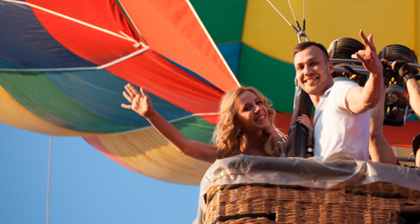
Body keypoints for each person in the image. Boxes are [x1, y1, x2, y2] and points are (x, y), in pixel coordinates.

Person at [121, 83, 312, 163]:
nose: (258, 109)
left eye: (258, 102)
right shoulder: (229, 156)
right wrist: (150, 114)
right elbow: (185, 146)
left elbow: (300, 121)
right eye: (247, 108)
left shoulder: (281, 148)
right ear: (236, 122)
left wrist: (303, 85)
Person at [293, 30, 383, 161]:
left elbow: (364, 100)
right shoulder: (323, 106)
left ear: (330, 67)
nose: (307, 71)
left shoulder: (340, 89)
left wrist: (376, 73)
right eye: (300, 67)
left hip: (342, 180)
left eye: (313, 63)